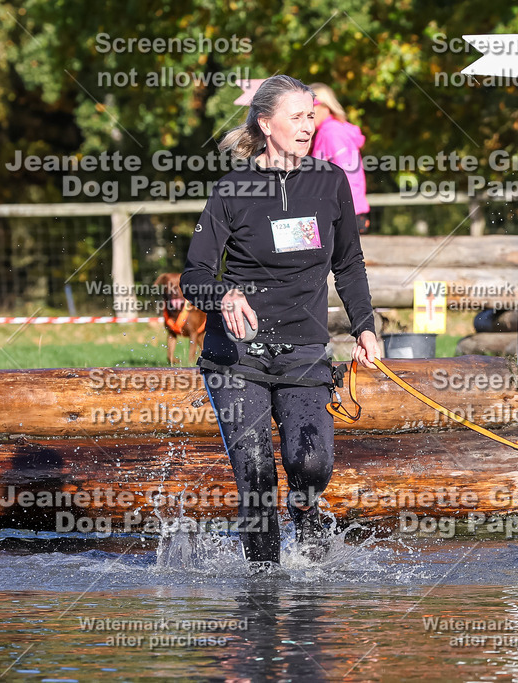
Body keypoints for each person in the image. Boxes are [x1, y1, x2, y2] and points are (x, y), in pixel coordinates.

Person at [180, 75, 380, 568]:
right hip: (237, 356)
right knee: (254, 473)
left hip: (304, 352)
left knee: (310, 464)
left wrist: (365, 328)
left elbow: (349, 265)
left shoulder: (330, 182)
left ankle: (308, 537)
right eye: (297, 116)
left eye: (312, 115)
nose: (308, 125)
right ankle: (264, 583)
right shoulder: (233, 188)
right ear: (266, 124)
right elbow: (194, 274)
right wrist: (223, 294)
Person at [309, 83, 371, 234]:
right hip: (347, 209)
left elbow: (345, 175)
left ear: (326, 105)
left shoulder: (331, 133)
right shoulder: (332, 130)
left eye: (312, 106)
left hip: (343, 212)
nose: (308, 113)